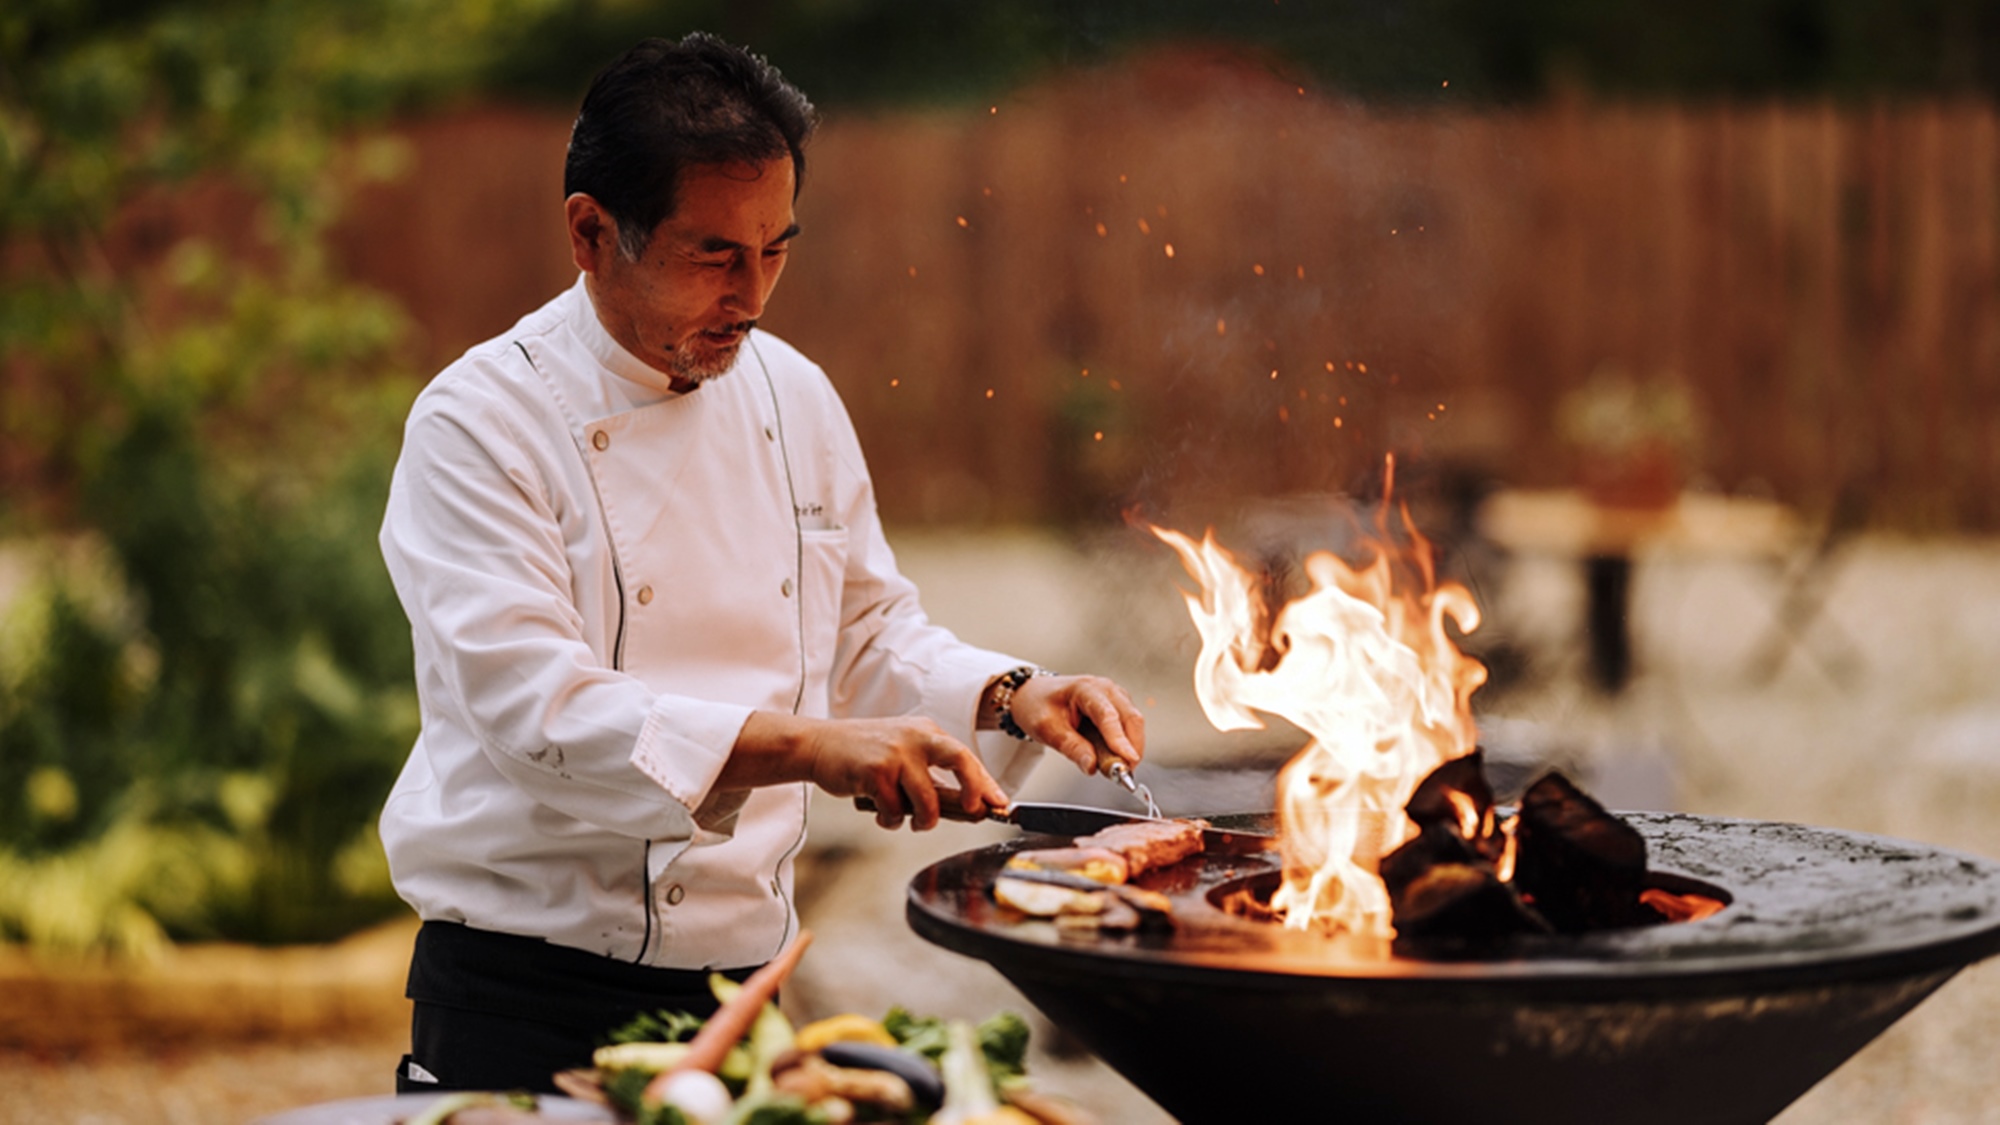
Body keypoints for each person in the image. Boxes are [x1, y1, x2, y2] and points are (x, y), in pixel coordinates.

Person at [376, 32, 1147, 1093]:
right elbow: (536, 711)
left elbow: (865, 630)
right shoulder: (480, 421)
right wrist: (815, 748)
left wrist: (1014, 694)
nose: (752, 295)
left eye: (775, 249)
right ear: (592, 232)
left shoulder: (793, 393)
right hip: (522, 993)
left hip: (742, 989)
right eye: (713, 255)